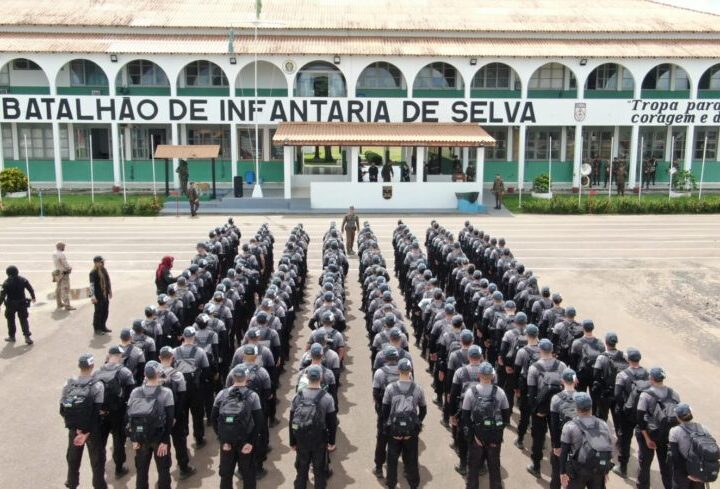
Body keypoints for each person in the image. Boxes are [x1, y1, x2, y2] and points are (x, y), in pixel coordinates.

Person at [212, 365, 265, 489]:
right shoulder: (253, 396)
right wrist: (251, 442)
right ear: (246, 378)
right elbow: (259, 421)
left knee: (226, 475)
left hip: (227, 441)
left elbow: (213, 418)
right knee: (248, 475)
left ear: (232, 378)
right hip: (246, 440)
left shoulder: (221, 394)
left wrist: (222, 438)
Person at [60, 353, 107, 489]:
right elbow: (97, 412)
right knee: (97, 461)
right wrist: (86, 432)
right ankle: (99, 486)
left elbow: (62, 408)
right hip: (92, 430)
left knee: (73, 458)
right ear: (92, 366)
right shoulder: (97, 385)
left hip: (74, 429)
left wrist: (76, 427)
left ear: (79, 366)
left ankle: (72, 483)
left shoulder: (69, 383)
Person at [126, 361, 175, 489]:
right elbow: (170, 419)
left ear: (144, 374)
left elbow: (128, 416)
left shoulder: (135, 392)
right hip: (159, 438)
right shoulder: (166, 392)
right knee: (163, 472)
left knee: (141, 472)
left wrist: (133, 438)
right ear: (158, 374)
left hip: (141, 438)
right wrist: (165, 441)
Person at [461, 361, 510, 489]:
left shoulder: (471, 393)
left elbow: (465, 416)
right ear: (492, 376)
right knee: (494, 469)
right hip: (494, 439)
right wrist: (496, 432)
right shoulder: (500, 392)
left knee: (473, 469)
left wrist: (473, 436)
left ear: (479, 375)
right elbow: (506, 417)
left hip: (477, 438)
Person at [290, 365, 337, 489]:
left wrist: (292, 441)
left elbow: (292, 421)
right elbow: (332, 422)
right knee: (319, 472)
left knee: (301, 471)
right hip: (319, 440)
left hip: (301, 439)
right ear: (321, 378)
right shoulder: (327, 398)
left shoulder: (297, 396)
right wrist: (331, 442)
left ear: (307, 377)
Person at [382, 358, 427, 489]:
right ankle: (414, 484)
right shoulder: (418, 388)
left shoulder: (390, 388)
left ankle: (391, 484)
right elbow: (423, 410)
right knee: (412, 458)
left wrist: (388, 426)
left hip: (394, 431)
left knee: (392, 459)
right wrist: (416, 424)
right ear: (410, 371)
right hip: (410, 431)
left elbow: (385, 410)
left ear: (398, 370)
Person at [636, 367, 681, 489]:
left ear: (651, 378)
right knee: (666, 468)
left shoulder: (646, 395)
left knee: (644, 465)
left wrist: (646, 439)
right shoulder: (674, 394)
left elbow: (640, 419)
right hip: (666, 436)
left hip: (650, 435)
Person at [558, 392, 615, 489]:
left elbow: (564, 452)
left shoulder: (569, 426)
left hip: (578, 471)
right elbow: (608, 447)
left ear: (576, 408)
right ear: (591, 407)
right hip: (598, 469)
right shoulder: (603, 424)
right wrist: (605, 471)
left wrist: (562, 472)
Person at [95, 346, 135, 478]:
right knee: (118, 440)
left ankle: (98, 468)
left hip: (101, 413)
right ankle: (119, 468)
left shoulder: (97, 372)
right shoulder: (125, 372)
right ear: (119, 356)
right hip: (118, 413)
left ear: (108, 356)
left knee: (101, 441)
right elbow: (131, 396)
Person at [669, 403, 718, 489]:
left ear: (678, 417)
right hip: (700, 471)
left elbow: (675, 456)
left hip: (683, 474)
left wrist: (688, 474)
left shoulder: (674, 432)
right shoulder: (703, 428)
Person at [0, 265, 36, 344]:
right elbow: (30, 289)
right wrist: (33, 297)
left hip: (10, 304)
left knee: (10, 320)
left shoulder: (6, 282)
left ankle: (12, 336)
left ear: (7, 273)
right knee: (23, 319)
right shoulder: (23, 280)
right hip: (22, 303)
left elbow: (2, 296)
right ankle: (27, 336)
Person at [89, 256, 112, 335]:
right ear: (96, 263)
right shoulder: (93, 272)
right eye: (100, 262)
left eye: (102, 261)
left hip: (105, 295)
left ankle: (103, 326)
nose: (102, 263)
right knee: (98, 312)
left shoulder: (103, 270)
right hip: (98, 296)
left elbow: (107, 280)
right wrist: (93, 297)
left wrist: (110, 291)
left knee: (105, 311)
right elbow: (91, 285)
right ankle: (97, 329)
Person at [53, 242, 76, 310]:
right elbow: (65, 264)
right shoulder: (61, 254)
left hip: (57, 273)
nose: (64, 248)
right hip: (64, 273)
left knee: (58, 289)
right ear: (60, 247)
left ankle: (59, 303)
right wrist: (69, 268)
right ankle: (67, 305)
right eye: (63, 246)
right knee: (65, 289)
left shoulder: (54, 254)